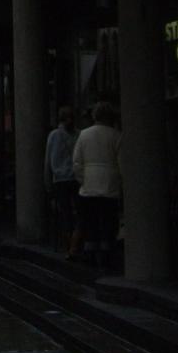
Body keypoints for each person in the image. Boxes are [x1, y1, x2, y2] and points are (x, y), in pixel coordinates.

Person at [72, 101, 122, 269]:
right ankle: (107, 253)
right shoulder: (116, 136)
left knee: (90, 221)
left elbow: (77, 162)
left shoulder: (84, 135)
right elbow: (122, 163)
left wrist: (83, 179)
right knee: (108, 221)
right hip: (110, 186)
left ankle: (90, 252)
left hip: (89, 186)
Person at [44, 106, 81, 260]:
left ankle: (69, 246)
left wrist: (48, 183)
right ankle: (73, 246)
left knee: (66, 213)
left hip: (60, 180)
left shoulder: (54, 136)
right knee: (76, 212)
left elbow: (48, 161)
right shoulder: (78, 135)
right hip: (75, 178)